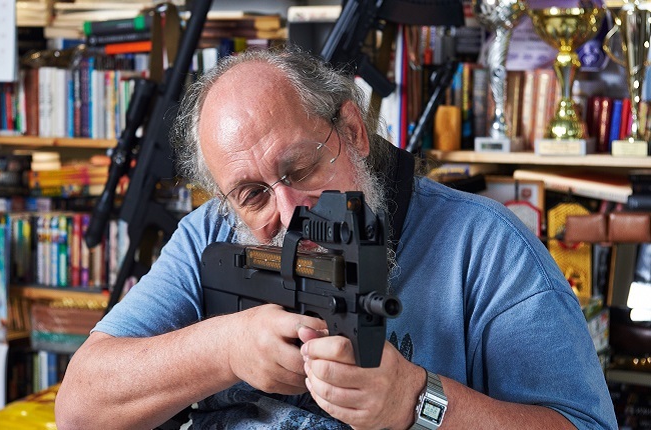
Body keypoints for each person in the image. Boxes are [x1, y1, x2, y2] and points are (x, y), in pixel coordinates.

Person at [55, 48, 616, 429]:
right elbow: (79, 407)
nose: (290, 213)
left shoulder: (485, 247)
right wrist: (225, 348)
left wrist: (417, 401)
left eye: (299, 171)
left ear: (352, 132)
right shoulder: (209, 233)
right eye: (251, 195)